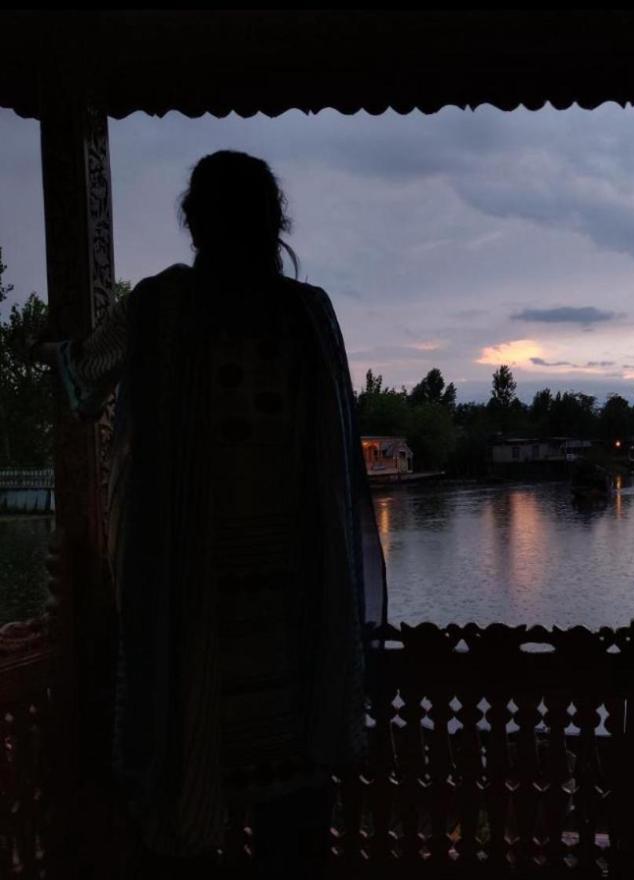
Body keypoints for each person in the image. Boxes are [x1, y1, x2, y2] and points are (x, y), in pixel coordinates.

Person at [37, 150, 386, 878]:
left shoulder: (160, 310)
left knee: (182, 802)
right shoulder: (305, 313)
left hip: (184, 619)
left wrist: (55, 349)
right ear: (274, 221)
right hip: (297, 619)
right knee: (294, 830)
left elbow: (80, 387)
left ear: (193, 222)